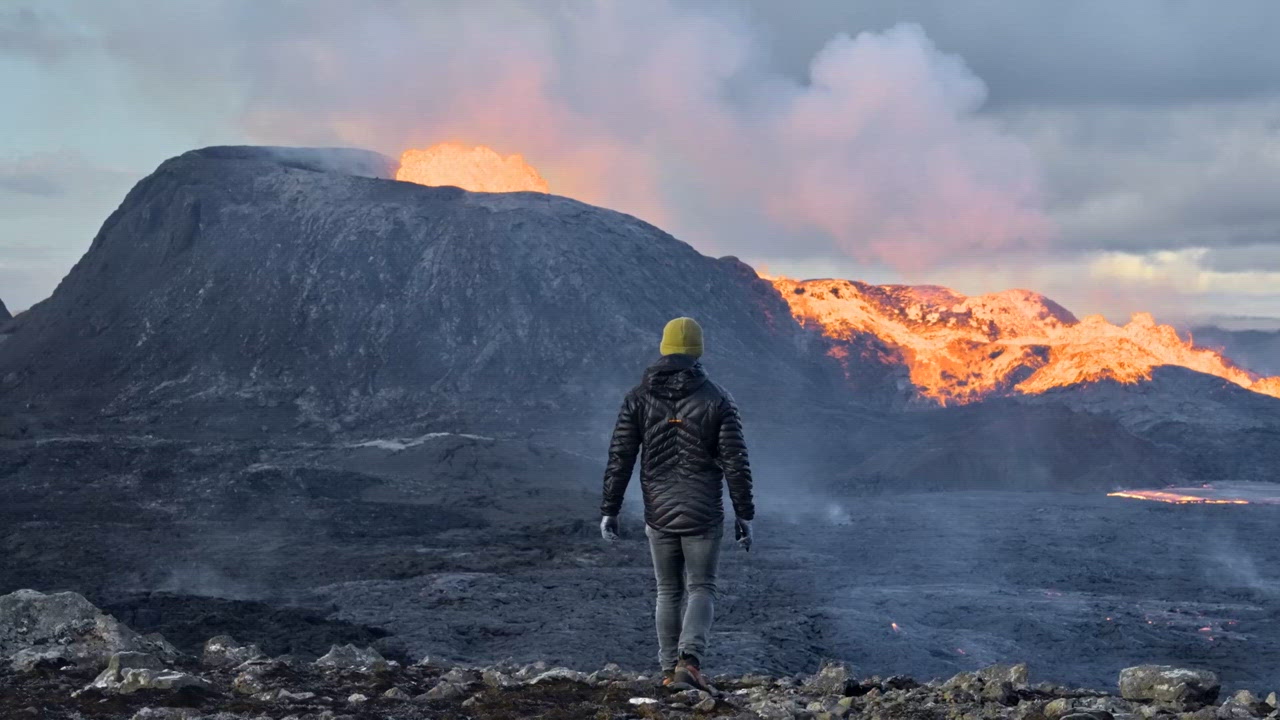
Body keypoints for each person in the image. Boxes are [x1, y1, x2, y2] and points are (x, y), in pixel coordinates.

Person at [599, 316, 755, 692]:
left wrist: (610, 508)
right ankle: (690, 662)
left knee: (667, 590)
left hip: (659, 510)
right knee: (701, 586)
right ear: (698, 351)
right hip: (703, 512)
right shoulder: (717, 397)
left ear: (664, 348)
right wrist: (744, 514)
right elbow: (735, 459)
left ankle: (669, 670)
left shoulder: (637, 397)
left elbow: (621, 455)